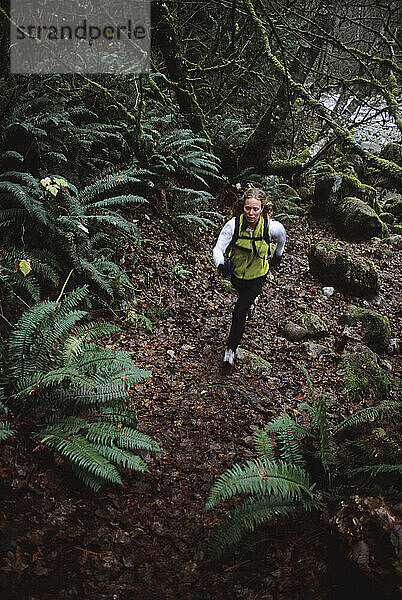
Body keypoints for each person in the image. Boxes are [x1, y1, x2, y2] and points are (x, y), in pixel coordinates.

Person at [212, 187, 286, 368]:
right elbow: (217, 249)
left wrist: (278, 255)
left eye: (255, 209)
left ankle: (230, 351)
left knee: (239, 312)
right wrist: (221, 264)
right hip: (237, 274)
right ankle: (251, 301)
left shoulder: (272, 227)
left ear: (262, 209)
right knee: (242, 297)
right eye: (247, 208)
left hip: (258, 275)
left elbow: (282, 238)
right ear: (242, 207)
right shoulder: (233, 225)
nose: (251, 213)